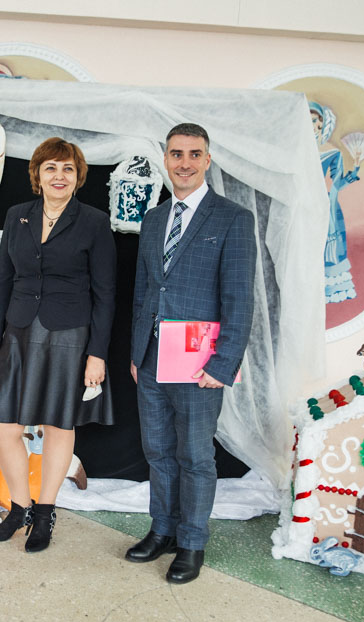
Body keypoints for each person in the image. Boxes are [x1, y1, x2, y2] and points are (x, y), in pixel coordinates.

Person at [127, 123, 255, 584]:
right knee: (157, 451)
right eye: (176, 154)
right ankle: (162, 530)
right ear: (165, 158)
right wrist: (136, 353)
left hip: (200, 363)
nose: (184, 163)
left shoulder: (232, 218)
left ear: (207, 159)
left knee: (196, 456)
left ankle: (192, 542)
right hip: (152, 358)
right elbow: (144, 289)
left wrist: (223, 364)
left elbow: (239, 298)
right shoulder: (154, 219)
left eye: (194, 154)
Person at [0, 137, 116, 552]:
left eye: (68, 169)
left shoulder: (94, 221)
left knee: (59, 424)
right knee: (1, 424)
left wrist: (97, 354)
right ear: (37, 175)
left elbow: (105, 294)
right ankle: (19, 508)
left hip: (70, 336)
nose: (59, 176)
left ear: (78, 177)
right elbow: (3, 279)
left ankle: (44, 513)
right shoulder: (17, 215)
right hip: (18, 332)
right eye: (51, 168)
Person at [310, 101, 358, 304]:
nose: (311, 125)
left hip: (324, 206)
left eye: (314, 120)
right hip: (301, 205)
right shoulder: (296, 151)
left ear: (321, 124)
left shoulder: (331, 152)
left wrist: (353, 172)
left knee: (326, 250)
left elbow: (335, 185)